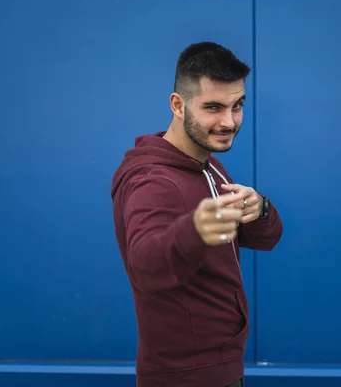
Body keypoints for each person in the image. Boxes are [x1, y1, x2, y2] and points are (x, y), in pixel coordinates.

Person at [110, 42, 283, 387]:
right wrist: (193, 230)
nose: (229, 121)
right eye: (213, 107)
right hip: (186, 379)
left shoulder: (208, 166)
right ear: (178, 105)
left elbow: (267, 240)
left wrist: (260, 209)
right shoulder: (153, 181)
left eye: (237, 106)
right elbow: (144, 265)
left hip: (220, 370)